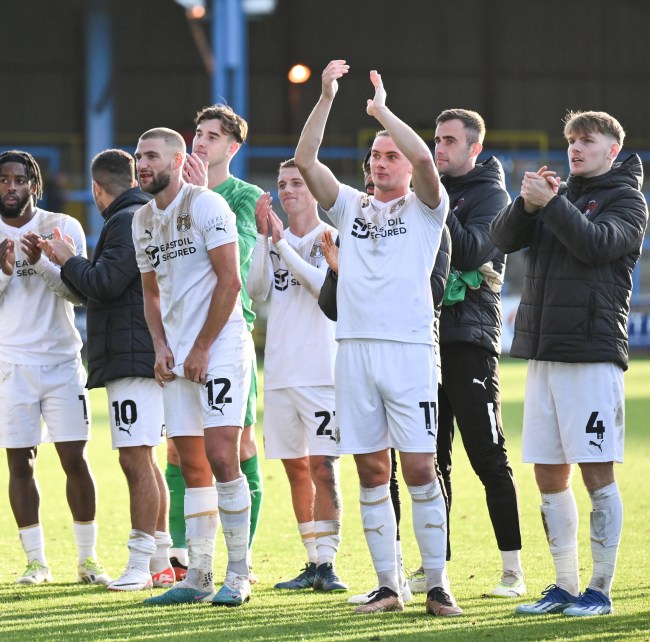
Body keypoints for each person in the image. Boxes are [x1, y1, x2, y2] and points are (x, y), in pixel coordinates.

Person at [295, 60, 461, 616]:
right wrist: (324, 97)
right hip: (355, 352)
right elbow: (305, 161)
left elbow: (422, 156)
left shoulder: (426, 211)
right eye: (374, 155)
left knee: (419, 468)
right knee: (370, 469)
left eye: (389, 155)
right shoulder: (349, 206)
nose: (381, 162)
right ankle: (390, 586)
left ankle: (436, 582)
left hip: (411, 353)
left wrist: (381, 111)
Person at [491, 111, 648, 617]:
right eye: (571, 141)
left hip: (590, 352)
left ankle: (599, 591)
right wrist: (527, 202)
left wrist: (553, 203)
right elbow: (502, 239)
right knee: (547, 472)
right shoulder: (559, 196)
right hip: (542, 352)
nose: (576, 148)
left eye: (587, 140)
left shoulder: (628, 199)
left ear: (612, 149)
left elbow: (595, 244)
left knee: (596, 472)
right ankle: (563, 585)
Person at [0, 150, 110, 586]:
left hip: (63, 361)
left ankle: (87, 560)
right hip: (11, 365)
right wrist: (7, 273)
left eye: (21, 180)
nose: (12, 187)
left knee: (75, 460)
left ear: (35, 185)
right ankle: (36, 562)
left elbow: (79, 294)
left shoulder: (63, 227)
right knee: (20, 465)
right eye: (4, 180)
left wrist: (44, 262)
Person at [401, 109, 525, 598]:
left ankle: (513, 570)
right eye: (436, 140)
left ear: (475, 147)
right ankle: (435, 571)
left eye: (450, 141)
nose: (439, 148)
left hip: (470, 341)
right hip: (424, 342)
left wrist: (436, 202)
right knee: (433, 462)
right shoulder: (426, 192)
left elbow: (474, 250)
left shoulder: (492, 193)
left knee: (489, 457)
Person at [39, 149, 175, 591]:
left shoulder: (124, 220)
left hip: (131, 353)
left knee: (135, 458)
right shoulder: (143, 213)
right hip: (143, 350)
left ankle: (140, 563)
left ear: (98, 189)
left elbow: (105, 283)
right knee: (147, 458)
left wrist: (65, 258)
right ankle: (161, 559)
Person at [133, 127, 254, 607]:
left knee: (223, 454)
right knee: (191, 462)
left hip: (220, 345)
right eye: (138, 156)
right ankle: (199, 576)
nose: (142, 164)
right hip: (177, 354)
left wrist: (202, 346)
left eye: (151, 156)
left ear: (179, 160)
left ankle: (240, 574)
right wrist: (161, 345)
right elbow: (150, 291)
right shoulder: (141, 218)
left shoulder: (207, 204)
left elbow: (231, 281)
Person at [166, 104, 263, 582]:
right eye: (197, 133)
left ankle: (241, 563)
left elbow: (237, 263)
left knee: (236, 448)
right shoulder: (170, 198)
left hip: (227, 335)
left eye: (211, 135)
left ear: (232, 146)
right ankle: (188, 565)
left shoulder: (245, 196)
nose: (200, 142)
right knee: (181, 453)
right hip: (182, 340)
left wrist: (204, 194)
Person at [245, 159, 348, 594]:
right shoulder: (274, 240)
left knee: (323, 466)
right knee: (294, 469)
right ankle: (311, 561)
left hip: (322, 371)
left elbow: (320, 284)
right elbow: (255, 290)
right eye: (282, 183)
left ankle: (328, 563)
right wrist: (259, 238)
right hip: (282, 373)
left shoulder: (331, 236)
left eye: (296, 183)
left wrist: (282, 244)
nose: (287, 190)